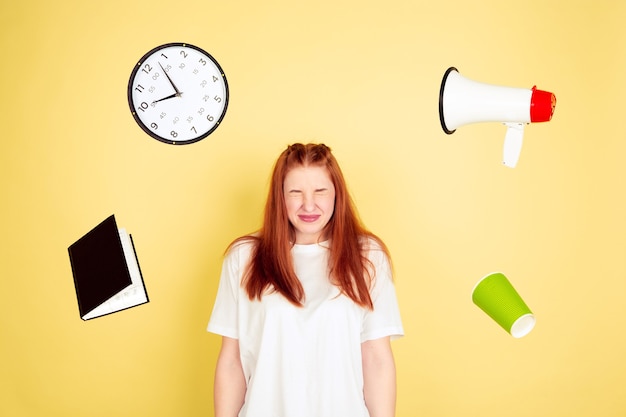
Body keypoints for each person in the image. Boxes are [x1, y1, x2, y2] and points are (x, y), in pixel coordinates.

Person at [207, 143, 404, 417]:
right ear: (280, 197)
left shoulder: (368, 255)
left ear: (337, 194)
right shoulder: (244, 257)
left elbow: (376, 358)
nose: (308, 205)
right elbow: (231, 361)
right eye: (295, 192)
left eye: (320, 191)